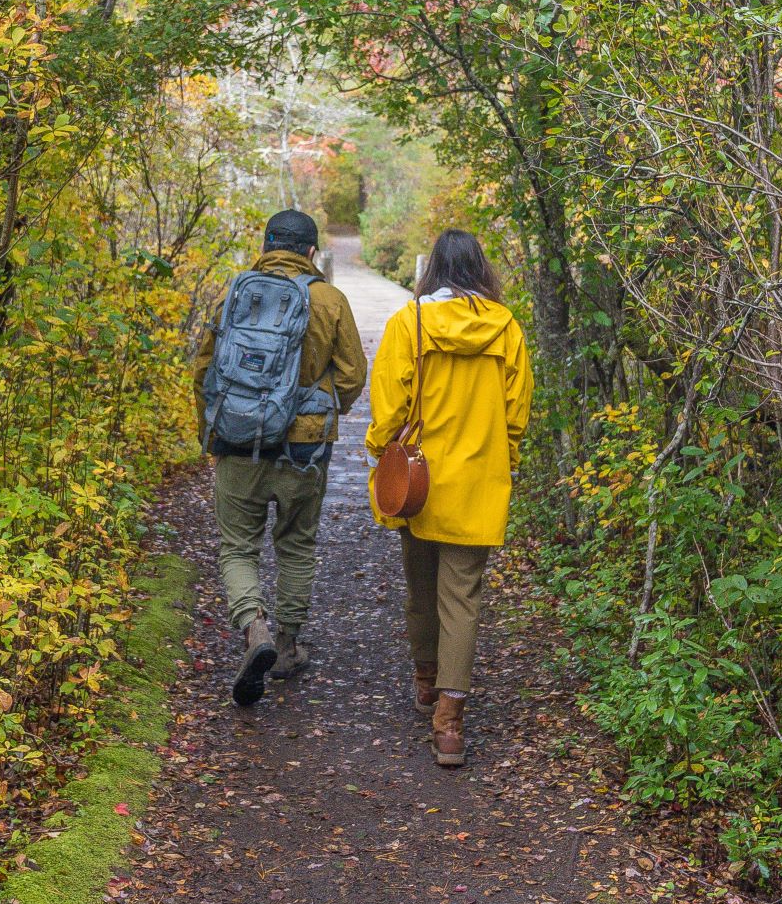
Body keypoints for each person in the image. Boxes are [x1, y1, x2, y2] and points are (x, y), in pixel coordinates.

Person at [366, 229, 531, 767]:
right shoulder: (506, 329)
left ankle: (426, 680)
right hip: (480, 481)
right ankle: (450, 723)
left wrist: (380, 451)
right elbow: (516, 413)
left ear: (432, 268)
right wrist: (504, 459)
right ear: (481, 269)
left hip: (421, 480)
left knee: (420, 587)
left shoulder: (409, 322)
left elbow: (390, 409)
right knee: (462, 597)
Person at [191, 209, 368, 706]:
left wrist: (213, 433)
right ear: (312, 252)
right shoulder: (330, 299)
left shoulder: (235, 292)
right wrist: (321, 413)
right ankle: (288, 646)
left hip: (237, 441)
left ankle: (254, 628)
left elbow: (204, 368)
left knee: (238, 548)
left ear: (266, 245)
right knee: (296, 544)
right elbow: (352, 375)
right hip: (305, 448)